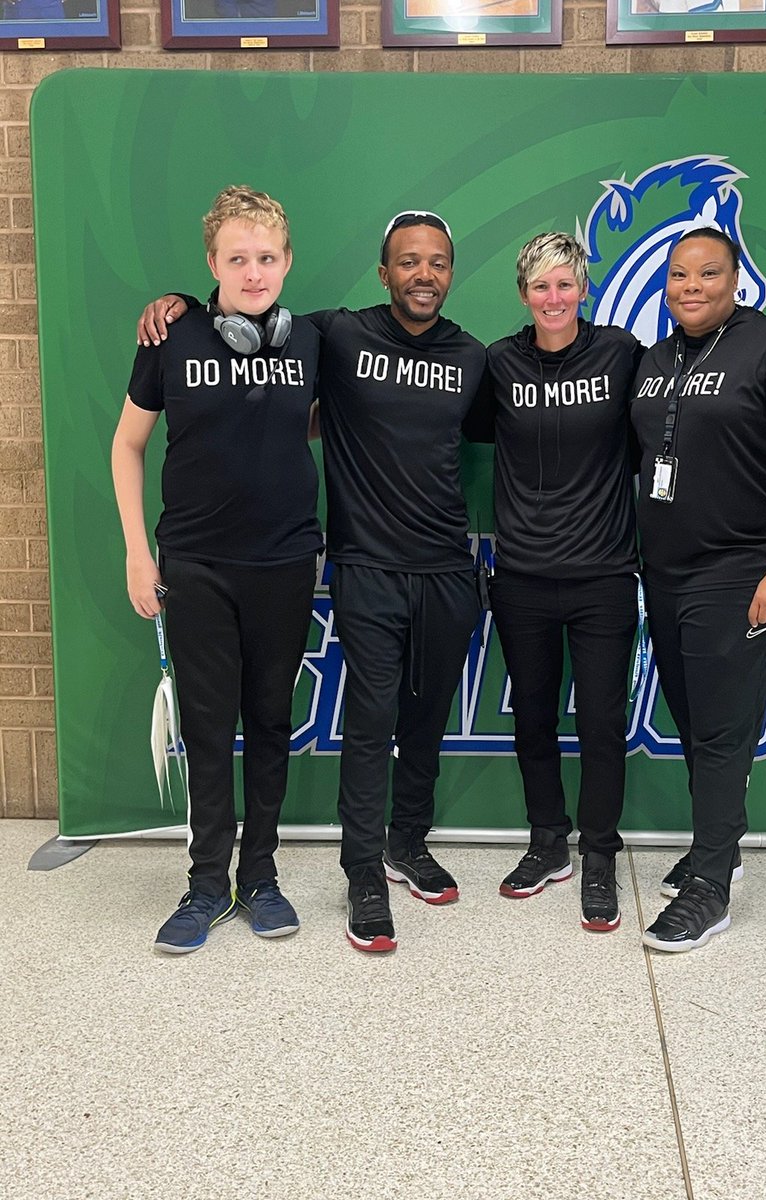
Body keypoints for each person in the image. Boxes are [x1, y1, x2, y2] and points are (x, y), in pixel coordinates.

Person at [137, 211, 486, 955]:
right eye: (407, 261)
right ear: (383, 271)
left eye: (437, 262)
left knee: (326, 722)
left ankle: (329, 863)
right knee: (249, 727)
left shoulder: (442, 354)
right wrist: (181, 302)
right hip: (272, 564)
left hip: (363, 564)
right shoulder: (302, 333)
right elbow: (152, 429)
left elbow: (309, 419)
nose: (423, 274)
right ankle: (250, 880)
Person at [114, 186, 322, 954]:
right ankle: (206, 884)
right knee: (207, 728)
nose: (255, 271)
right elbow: (126, 444)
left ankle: (260, 877)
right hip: (196, 565)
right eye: (238, 258)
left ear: (287, 261)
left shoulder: (311, 344)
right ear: (213, 265)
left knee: (269, 722)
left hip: (286, 562)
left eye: (267, 257)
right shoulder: (171, 334)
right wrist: (140, 552)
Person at [629, 226, 766, 952]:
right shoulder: (655, 358)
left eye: (707, 275)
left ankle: (710, 887)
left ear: (735, 279)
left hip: (740, 569)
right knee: (692, 716)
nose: (690, 287)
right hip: (667, 570)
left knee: (721, 729)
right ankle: (723, 846)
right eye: (679, 276)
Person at [464, 232, 643, 932]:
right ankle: (549, 841)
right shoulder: (499, 362)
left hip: (603, 573)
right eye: (541, 286)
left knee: (600, 722)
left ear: (583, 289)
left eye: (565, 283)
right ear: (523, 294)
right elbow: (467, 433)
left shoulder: (622, 354)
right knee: (534, 720)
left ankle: (599, 853)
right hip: (524, 576)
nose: (554, 297)